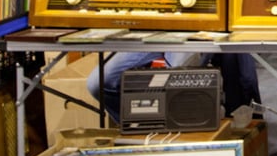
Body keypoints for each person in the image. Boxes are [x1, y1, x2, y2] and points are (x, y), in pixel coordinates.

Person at [87, 50, 261, 123]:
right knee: (98, 83)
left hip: (197, 25)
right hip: (153, 26)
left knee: (175, 81)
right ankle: (144, 129)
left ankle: (176, 139)